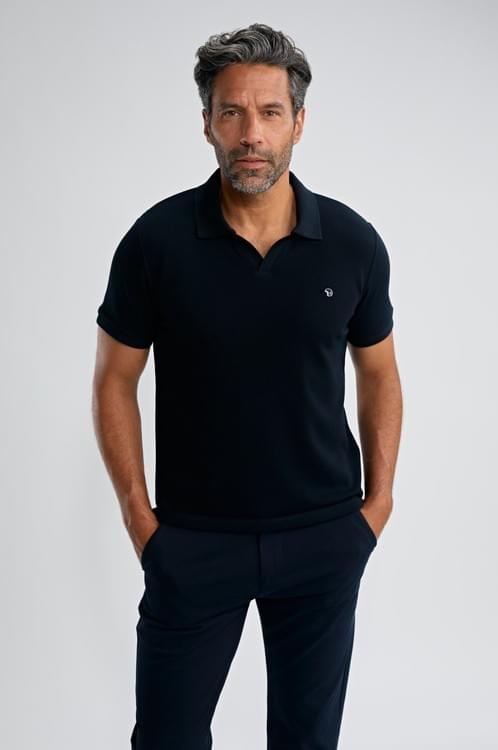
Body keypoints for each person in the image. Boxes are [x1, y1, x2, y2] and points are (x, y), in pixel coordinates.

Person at [92, 22, 402, 750]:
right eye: (231, 112)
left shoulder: (353, 243)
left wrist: (378, 505)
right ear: (206, 122)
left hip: (324, 535)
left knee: (307, 740)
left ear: (299, 122)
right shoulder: (155, 242)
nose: (251, 133)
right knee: (166, 737)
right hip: (194, 542)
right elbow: (114, 379)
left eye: (269, 112)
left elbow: (379, 370)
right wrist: (140, 520)